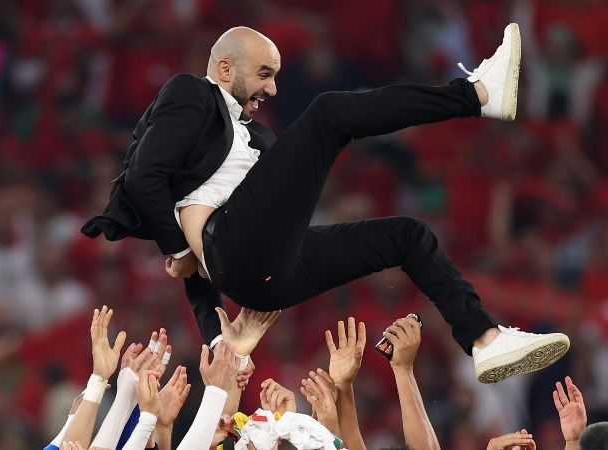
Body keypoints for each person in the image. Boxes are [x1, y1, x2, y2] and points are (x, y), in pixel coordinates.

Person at [82, 24, 569, 383]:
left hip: (266, 273)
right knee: (329, 112)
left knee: (407, 235)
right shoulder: (192, 93)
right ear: (226, 68)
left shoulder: (258, 139)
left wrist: (218, 342)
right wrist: (185, 256)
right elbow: (148, 181)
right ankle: (478, 93)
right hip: (234, 251)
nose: (272, 88)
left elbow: (204, 271)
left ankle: (484, 340)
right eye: (264, 73)